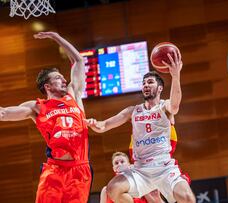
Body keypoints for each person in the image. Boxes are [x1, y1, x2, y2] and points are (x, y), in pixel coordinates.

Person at [86, 50, 195, 203]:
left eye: (150, 82)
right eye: (144, 83)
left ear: (160, 88)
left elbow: (175, 105)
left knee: (188, 198)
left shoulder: (165, 107)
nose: (145, 85)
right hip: (141, 170)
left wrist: (175, 75)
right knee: (112, 189)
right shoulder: (133, 111)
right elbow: (104, 126)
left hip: (164, 167)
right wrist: (94, 124)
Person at [0, 32, 91, 203]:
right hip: (54, 170)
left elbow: (78, 60)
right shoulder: (37, 107)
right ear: (47, 86)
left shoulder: (74, 95)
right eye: (58, 78)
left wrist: (56, 37)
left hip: (80, 169)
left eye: (63, 77)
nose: (64, 80)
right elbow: (3, 113)